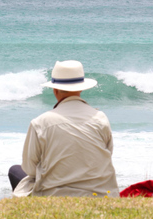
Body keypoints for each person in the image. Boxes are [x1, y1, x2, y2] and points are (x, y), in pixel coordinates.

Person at [10, 60, 118, 197]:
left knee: (15, 171)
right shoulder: (100, 118)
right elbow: (107, 154)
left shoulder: (41, 122)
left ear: (55, 90)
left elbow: (29, 169)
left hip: (54, 195)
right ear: (81, 89)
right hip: (101, 194)